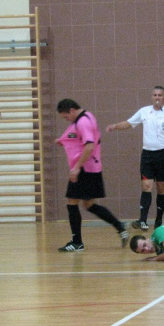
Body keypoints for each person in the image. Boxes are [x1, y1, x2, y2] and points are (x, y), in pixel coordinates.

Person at [106, 86, 164, 231]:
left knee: (161, 189)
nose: (157, 97)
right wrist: (115, 126)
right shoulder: (144, 111)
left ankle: (158, 219)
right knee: (146, 186)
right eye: (155, 95)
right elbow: (129, 123)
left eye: (160, 95)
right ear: (152, 97)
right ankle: (142, 220)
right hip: (148, 155)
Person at [55, 98, 129, 252]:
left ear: (71, 110)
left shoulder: (82, 122)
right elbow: (79, 137)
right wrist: (64, 140)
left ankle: (77, 242)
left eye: (66, 116)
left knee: (72, 202)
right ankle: (119, 226)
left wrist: (76, 168)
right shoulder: (88, 115)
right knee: (89, 204)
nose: (66, 119)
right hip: (92, 168)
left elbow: (89, 145)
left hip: (84, 169)